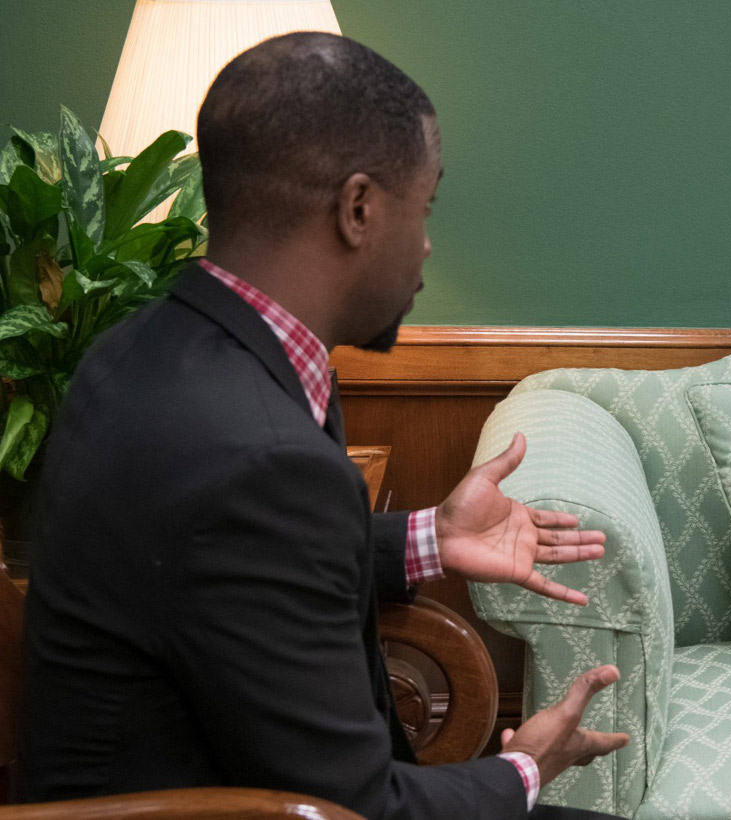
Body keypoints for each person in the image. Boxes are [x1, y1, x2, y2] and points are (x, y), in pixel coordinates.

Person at [16, 32, 628, 820]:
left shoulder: (140, 351)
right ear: (359, 208)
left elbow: (220, 561)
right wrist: (524, 768)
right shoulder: (259, 457)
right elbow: (362, 807)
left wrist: (431, 538)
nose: (429, 245)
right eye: (426, 207)